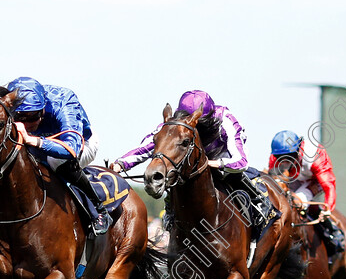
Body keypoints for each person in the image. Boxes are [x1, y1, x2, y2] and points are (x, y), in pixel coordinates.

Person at [111, 90, 267, 227]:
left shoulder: (226, 120)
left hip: (222, 160)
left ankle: (257, 204)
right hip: (192, 161)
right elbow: (146, 147)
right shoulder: (175, 126)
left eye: (199, 124)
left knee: (233, 176)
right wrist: (121, 164)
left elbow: (241, 161)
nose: (193, 127)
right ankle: (171, 213)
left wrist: (212, 164)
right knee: (176, 173)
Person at [7, 76, 110, 235]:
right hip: (39, 147)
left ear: (42, 109)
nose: (27, 125)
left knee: (55, 160)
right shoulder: (8, 100)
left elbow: (71, 149)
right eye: (20, 117)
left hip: (82, 145)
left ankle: (99, 209)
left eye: (33, 116)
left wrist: (33, 140)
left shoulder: (63, 102)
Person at [268, 130, 345, 257]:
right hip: (294, 178)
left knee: (298, 200)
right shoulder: (274, 158)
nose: (284, 162)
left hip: (315, 180)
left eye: (289, 157)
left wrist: (328, 208)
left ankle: (331, 231)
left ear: (298, 151)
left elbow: (328, 185)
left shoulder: (314, 155)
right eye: (281, 158)